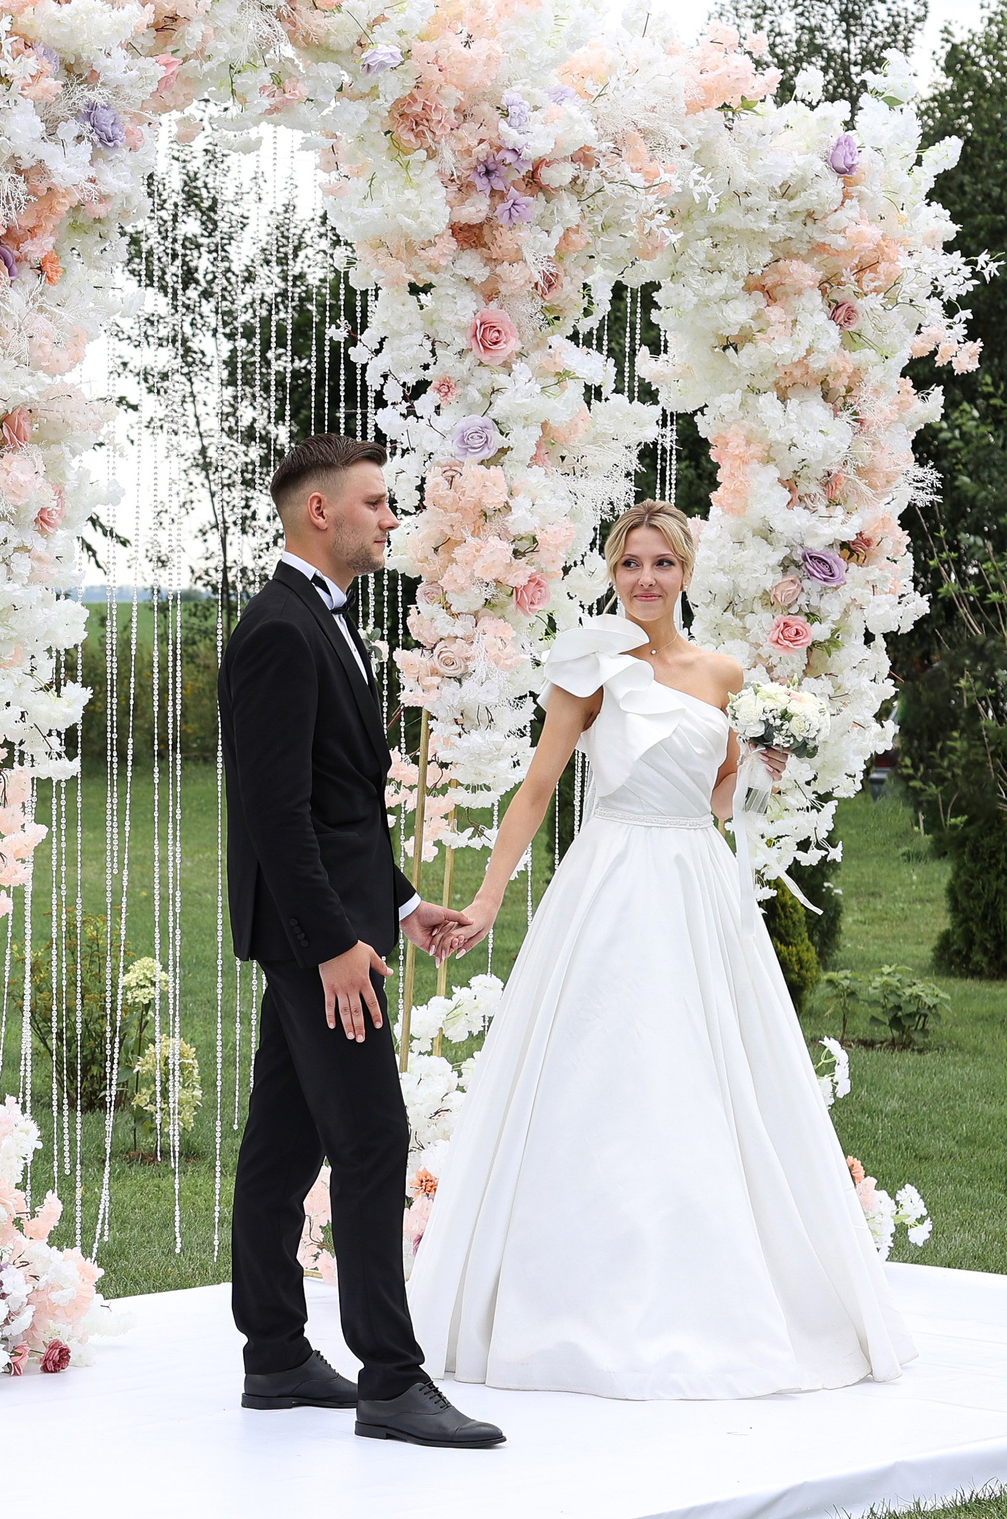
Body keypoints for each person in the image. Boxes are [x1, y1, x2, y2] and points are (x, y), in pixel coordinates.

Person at [411, 501, 914, 1398]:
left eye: (662, 564)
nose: (645, 579)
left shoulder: (724, 673)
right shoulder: (590, 667)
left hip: (698, 881)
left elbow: (718, 798)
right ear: (613, 571)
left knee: (708, 1073)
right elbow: (536, 790)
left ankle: (720, 1289)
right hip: (612, 877)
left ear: (685, 571)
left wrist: (760, 770)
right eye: (630, 563)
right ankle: (574, 1300)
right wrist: (489, 897)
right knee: (609, 1069)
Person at [217, 433, 504, 1449]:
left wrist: (398, 904)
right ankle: (390, 1376)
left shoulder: (325, 625)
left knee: (283, 1146)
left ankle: (276, 1358)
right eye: (377, 503)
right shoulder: (279, 633)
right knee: (373, 1138)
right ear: (318, 513)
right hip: (314, 942)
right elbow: (275, 814)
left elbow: (341, 812)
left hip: (333, 923)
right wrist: (336, 942)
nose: (392, 519)